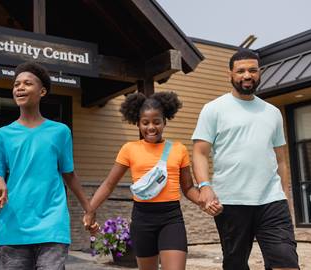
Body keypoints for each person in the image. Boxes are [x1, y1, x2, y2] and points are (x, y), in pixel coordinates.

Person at [84, 91, 222, 270]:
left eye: (156, 122)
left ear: (165, 121)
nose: (151, 127)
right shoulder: (129, 149)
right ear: (138, 123)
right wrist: (90, 210)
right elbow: (109, 184)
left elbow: (187, 188)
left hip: (171, 219)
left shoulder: (178, 149)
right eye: (145, 122)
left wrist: (205, 203)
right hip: (142, 220)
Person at [192, 49, 299, 270]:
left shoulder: (272, 112)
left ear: (259, 73)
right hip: (231, 201)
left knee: (286, 261)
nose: (247, 75)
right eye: (240, 71)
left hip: (271, 200)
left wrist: (285, 198)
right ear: (230, 74)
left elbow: (281, 160)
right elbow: (200, 153)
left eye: (252, 70)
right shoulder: (213, 109)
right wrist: (204, 186)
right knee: (235, 264)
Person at [0, 62, 97, 270]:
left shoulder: (60, 132)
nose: (20, 87)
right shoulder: (2, 135)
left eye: (27, 83)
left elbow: (69, 174)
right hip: (14, 224)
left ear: (42, 91)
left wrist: (89, 208)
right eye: (16, 84)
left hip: (52, 223)